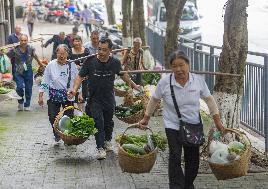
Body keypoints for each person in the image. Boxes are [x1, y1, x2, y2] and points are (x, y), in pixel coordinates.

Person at [139, 51, 225, 189]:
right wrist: (146, 118)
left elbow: (209, 100)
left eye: (181, 65)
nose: (179, 69)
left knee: (193, 159)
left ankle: (188, 183)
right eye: (174, 66)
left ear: (188, 65)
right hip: (172, 125)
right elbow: (154, 99)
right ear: (171, 68)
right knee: (175, 156)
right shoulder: (165, 82)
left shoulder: (198, 81)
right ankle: (176, 186)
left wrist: (217, 121)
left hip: (193, 125)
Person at [68, 38, 140, 160]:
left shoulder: (115, 63)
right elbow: (80, 77)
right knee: (98, 122)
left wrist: (134, 85)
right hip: (94, 98)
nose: (101, 52)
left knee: (108, 121)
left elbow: (124, 75)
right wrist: (74, 89)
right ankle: (100, 147)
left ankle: (107, 141)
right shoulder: (90, 61)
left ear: (110, 50)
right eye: (99, 49)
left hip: (108, 97)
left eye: (104, 50)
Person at [38, 44, 78, 142]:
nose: (61, 56)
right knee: (52, 116)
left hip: (68, 95)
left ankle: (67, 135)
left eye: (64, 53)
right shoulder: (51, 65)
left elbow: (77, 80)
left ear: (67, 54)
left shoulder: (71, 65)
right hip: (54, 94)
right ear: (56, 54)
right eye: (59, 53)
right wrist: (40, 95)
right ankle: (56, 133)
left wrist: (79, 93)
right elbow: (45, 80)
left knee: (69, 117)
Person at [7, 34, 43, 111]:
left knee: (28, 88)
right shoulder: (15, 49)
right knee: (19, 87)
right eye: (22, 40)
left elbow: (35, 56)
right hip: (18, 71)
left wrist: (40, 64)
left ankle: (27, 104)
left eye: (25, 40)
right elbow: (7, 55)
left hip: (28, 70)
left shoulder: (31, 49)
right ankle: (20, 102)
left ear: (27, 41)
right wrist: (4, 52)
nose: (23, 42)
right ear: (19, 41)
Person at [69, 36, 90, 103]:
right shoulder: (69, 51)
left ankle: (82, 112)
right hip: (73, 77)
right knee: (73, 96)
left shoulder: (86, 51)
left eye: (78, 41)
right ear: (73, 42)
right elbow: (67, 63)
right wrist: (74, 66)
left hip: (84, 77)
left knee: (83, 97)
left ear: (81, 42)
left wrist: (83, 68)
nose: (77, 43)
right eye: (75, 41)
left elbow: (89, 62)